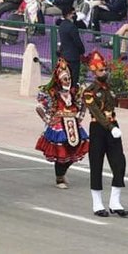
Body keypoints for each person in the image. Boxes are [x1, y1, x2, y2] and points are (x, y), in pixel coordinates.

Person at [83, 53, 128, 218]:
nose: (105, 72)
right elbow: (97, 112)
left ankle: (115, 202)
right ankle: (97, 204)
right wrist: (110, 127)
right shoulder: (89, 92)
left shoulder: (109, 88)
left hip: (112, 127)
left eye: (105, 69)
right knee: (96, 165)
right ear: (95, 72)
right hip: (99, 128)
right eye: (102, 70)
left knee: (119, 163)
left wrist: (113, 127)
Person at [35, 59, 89, 189]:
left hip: (73, 124)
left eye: (69, 78)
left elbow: (85, 103)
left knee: (78, 147)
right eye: (65, 79)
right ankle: (59, 178)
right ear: (59, 80)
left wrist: (81, 116)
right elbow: (38, 107)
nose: (68, 81)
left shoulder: (74, 92)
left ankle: (62, 172)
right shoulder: (52, 94)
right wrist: (48, 120)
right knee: (61, 151)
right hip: (59, 125)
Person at [57, 5, 85, 85]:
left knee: (65, 79)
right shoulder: (72, 27)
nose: (74, 15)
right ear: (69, 14)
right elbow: (77, 42)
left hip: (64, 56)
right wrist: (82, 51)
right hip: (73, 57)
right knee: (73, 79)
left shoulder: (62, 25)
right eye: (73, 13)